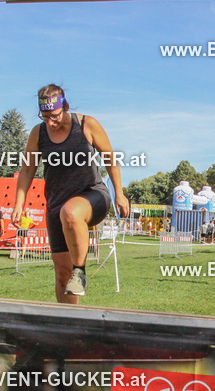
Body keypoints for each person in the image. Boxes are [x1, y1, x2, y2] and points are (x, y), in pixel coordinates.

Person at [12, 85, 129, 302]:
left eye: (54, 116)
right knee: (61, 275)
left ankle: (80, 271)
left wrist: (119, 194)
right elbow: (28, 169)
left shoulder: (87, 124)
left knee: (71, 212)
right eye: (44, 116)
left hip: (93, 195)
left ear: (65, 106)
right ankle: (69, 326)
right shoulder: (38, 133)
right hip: (56, 205)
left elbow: (111, 159)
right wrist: (19, 204)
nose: (50, 122)